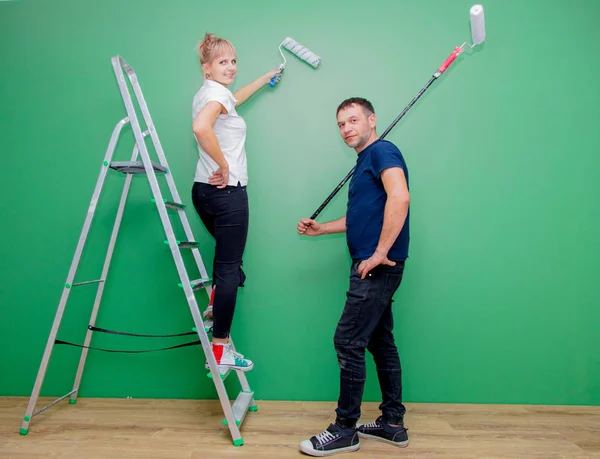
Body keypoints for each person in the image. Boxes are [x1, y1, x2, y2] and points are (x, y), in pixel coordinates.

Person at [297, 97, 411, 456]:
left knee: (347, 341)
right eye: (341, 124)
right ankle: (392, 424)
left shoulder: (382, 151)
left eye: (352, 120)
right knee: (380, 341)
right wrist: (322, 229)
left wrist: (379, 254)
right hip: (372, 263)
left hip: (376, 265)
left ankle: (345, 429)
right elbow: (362, 217)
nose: (346, 128)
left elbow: (400, 197)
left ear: (371, 120)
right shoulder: (365, 161)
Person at [191, 33, 281, 372]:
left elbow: (232, 100)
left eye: (232, 61)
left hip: (203, 193)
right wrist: (225, 166)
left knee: (229, 263)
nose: (230, 67)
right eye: (222, 62)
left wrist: (262, 79)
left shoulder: (209, 94)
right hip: (228, 194)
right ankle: (219, 349)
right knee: (229, 269)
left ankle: (216, 301)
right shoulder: (214, 95)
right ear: (206, 68)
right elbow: (202, 128)